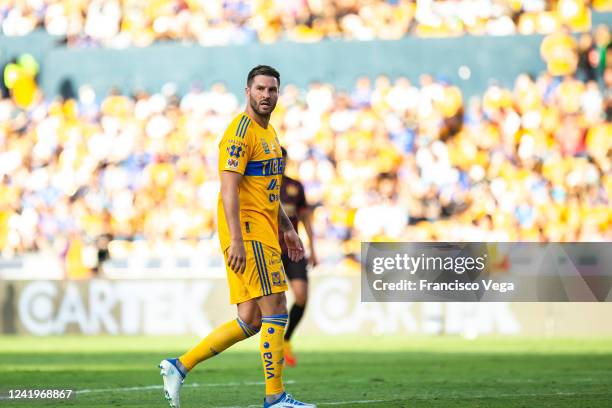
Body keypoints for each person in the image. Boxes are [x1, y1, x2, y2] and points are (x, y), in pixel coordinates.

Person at [159, 65, 316, 408]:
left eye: (272, 90)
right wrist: (238, 241)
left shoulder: (269, 133)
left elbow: (267, 192)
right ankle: (275, 398)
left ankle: (179, 366)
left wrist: (288, 229)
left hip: (264, 230)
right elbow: (229, 189)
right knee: (277, 307)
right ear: (247, 91)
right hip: (248, 232)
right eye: (260, 89)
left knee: (251, 319)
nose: (266, 95)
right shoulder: (239, 133)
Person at [278, 147, 317, 367]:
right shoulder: (260, 185)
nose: (280, 164)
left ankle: (286, 339)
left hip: (293, 250)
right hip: (269, 249)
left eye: (283, 160)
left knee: (301, 296)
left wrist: (313, 248)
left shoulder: (295, 187)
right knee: (272, 303)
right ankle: (273, 347)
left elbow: (305, 218)